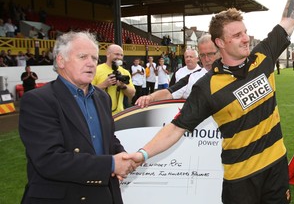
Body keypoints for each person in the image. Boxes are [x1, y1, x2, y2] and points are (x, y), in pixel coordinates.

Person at [127, 0, 294, 204]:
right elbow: (176, 128)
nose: (246, 38)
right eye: (237, 35)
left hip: (276, 164)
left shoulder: (262, 56)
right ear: (220, 43)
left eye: (245, 32)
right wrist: (142, 154)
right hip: (240, 179)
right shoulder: (207, 86)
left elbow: (289, 20)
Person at [19, 31, 138, 203]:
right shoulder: (38, 100)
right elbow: (49, 160)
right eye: (82, 57)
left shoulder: (102, 96)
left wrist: (122, 155)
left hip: (104, 195)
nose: (91, 63)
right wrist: (111, 165)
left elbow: (108, 138)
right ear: (61, 60)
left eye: (94, 58)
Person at [135, 34, 219, 107]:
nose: (207, 59)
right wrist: (150, 97)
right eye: (203, 55)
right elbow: (169, 92)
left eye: (210, 54)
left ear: (220, 52)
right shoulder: (191, 77)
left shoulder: (231, 74)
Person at [92, 44, 135, 114]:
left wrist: (123, 86)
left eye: (121, 55)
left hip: (119, 114)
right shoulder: (96, 70)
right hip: (100, 113)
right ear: (108, 54)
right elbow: (86, 91)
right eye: (117, 54)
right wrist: (104, 85)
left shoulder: (125, 72)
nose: (120, 57)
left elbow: (132, 94)